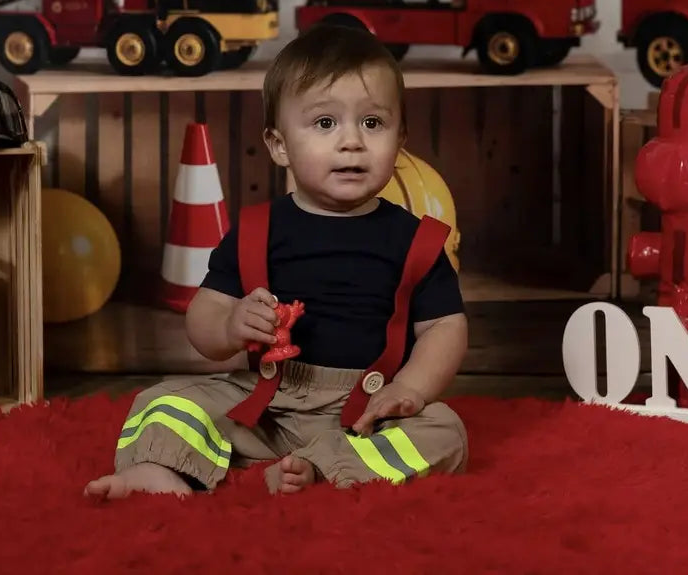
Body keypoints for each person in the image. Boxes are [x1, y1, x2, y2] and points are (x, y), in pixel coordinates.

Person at [84, 24, 469, 499]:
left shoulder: (418, 239)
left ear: (400, 137)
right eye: (325, 123)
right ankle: (161, 473)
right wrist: (229, 324)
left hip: (368, 407)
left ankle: (322, 465)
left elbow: (444, 328)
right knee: (162, 401)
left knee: (445, 430)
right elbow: (203, 318)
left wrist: (409, 388)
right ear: (279, 145)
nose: (352, 142)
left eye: (372, 123)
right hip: (265, 402)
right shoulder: (257, 230)